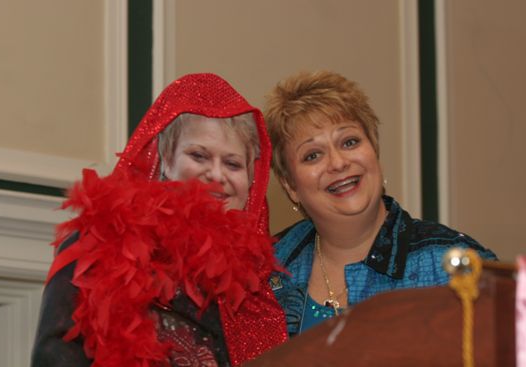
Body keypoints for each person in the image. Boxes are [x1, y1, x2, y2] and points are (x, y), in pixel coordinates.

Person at [31, 73, 287, 366]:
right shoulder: (104, 243)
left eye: (232, 163)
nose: (217, 176)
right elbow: (54, 356)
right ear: (165, 158)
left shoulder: (258, 292)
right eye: (199, 156)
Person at [263, 70, 497, 336]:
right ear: (290, 186)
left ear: (374, 150)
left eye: (349, 142)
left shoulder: (453, 266)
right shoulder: (266, 270)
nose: (338, 163)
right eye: (313, 155)